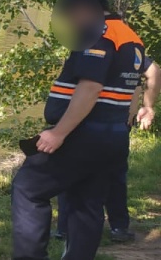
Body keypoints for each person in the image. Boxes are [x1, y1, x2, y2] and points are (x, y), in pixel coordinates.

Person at [2, 0, 150, 260]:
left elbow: (90, 88)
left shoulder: (100, 33)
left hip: (84, 133)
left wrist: (58, 133)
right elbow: (130, 88)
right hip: (112, 137)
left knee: (29, 188)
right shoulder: (131, 37)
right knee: (87, 205)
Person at [54, 56, 158, 243]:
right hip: (118, 124)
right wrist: (147, 106)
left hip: (85, 122)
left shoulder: (94, 46)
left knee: (72, 173)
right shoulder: (132, 50)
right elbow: (154, 72)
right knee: (114, 176)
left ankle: (65, 228)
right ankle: (119, 227)